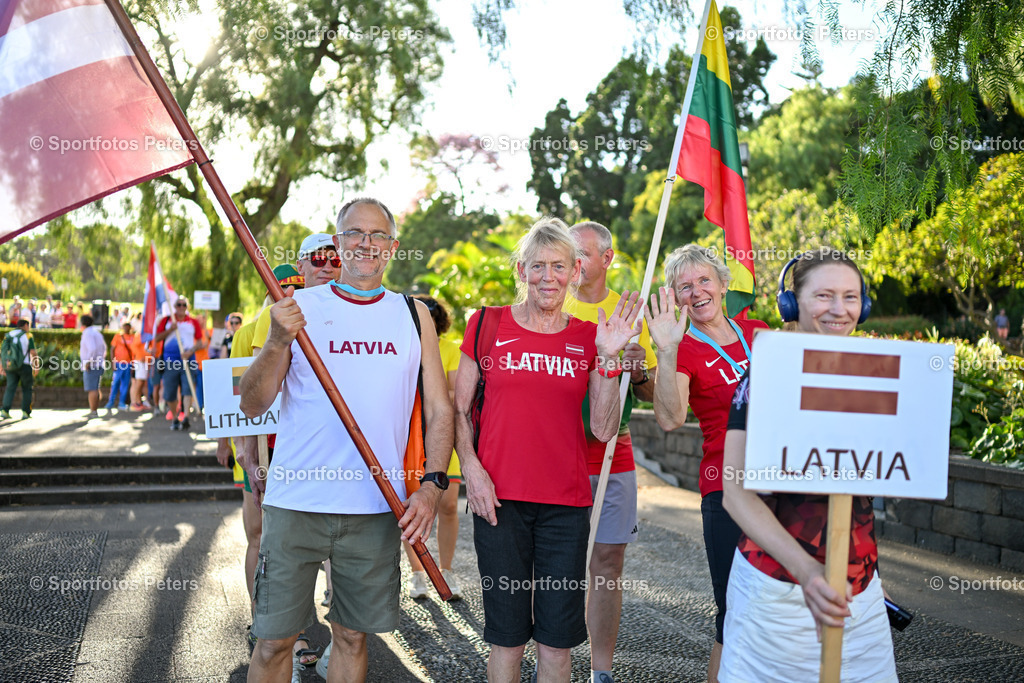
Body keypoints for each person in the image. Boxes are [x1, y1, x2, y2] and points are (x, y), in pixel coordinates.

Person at [239, 198, 454, 683]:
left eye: (378, 236)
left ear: (392, 247)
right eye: (355, 233)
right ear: (337, 244)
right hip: (297, 501)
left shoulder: (413, 314)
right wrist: (276, 341)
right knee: (274, 641)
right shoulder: (297, 308)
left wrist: (432, 484)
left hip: (377, 505)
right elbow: (252, 404)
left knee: (353, 636)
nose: (366, 244)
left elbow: (441, 410)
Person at [453, 217, 641, 683]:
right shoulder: (486, 324)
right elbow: (457, 411)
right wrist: (471, 469)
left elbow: (602, 428)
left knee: (556, 644)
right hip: (499, 503)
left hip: (566, 507)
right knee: (507, 640)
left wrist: (610, 358)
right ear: (522, 270)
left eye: (559, 267)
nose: (548, 277)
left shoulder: (586, 336)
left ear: (576, 272)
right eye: (538, 266)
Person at [719, 248, 897, 682]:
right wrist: (809, 573)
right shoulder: (766, 371)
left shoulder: (874, 373)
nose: (840, 310)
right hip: (777, 596)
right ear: (791, 303)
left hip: (861, 597)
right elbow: (735, 493)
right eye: (825, 296)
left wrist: (866, 573)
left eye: (851, 297)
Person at [646, 244, 768, 682]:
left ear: (722, 284)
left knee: (784, 602)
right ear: (675, 298)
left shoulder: (759, 331)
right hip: (728, 487)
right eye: (684, 286)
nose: (696, 292)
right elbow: (670, 418)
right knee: (734, 607)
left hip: (781, 484)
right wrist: (665, 350)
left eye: (703, 281)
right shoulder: (683, 349)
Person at [563, 221, 657, 683]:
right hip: (556, 455)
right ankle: (550, 657)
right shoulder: (550, 304)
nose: (575, 263)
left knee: (606, 564)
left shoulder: (630, 311)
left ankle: (602, 671)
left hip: (610, 456)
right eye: (569, 254)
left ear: (608, 258)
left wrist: (639, 372)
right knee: (551, 563)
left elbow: (653, 392)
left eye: (583, 253)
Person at [405, 295, 464, 601]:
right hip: (408, 436)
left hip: (443, 434)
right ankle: (417, 573)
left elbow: (453, 394)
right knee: (411, 507)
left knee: (449, 505)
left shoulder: (451, 349)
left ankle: (446, 569)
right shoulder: (401, 344)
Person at [153, 296, 202, 431]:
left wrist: (190, 351)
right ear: (174, 306)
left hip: (188, 361)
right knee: (170, 392)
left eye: (184, 305)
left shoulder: (193, 322)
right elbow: (156, 338)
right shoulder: (167, 321)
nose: (181, 307)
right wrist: (170, 330)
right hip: (170, 362)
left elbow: (200, 341)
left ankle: (186, 417)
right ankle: (175, 418)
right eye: (179, 305)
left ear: (187, 307)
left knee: (188, 389)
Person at [1, 319, 39, 420]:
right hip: (24, 365)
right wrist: (36, 366)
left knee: (10, 387)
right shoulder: (27, 335)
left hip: (10, 365)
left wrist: (2, 366)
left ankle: (5, 410)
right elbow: (33, 352)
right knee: (27, 389)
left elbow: (3, 351)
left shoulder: (9, 334)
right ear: (26, 325)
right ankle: (26, 412)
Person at [79, 314, 106, 419]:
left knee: (92, 389)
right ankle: (94, 410)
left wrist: (88, 362)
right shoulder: (96, 332)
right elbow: (103, 348)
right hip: (99, 363)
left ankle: (93, 411)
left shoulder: (87, 333)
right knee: (96, 387)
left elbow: (92, 349)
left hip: (91, 365)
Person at [104, 322, 134, 413]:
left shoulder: (133, 337)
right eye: (125, 327)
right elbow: (112, 349)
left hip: (128, 364)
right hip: (118, 363)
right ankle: (111, 402)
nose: (126, 328)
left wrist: (133, 365)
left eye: (128, 327)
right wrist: (113, 362)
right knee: (115, 383)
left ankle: (121, 402)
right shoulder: (118, 336)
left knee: (125, 384)